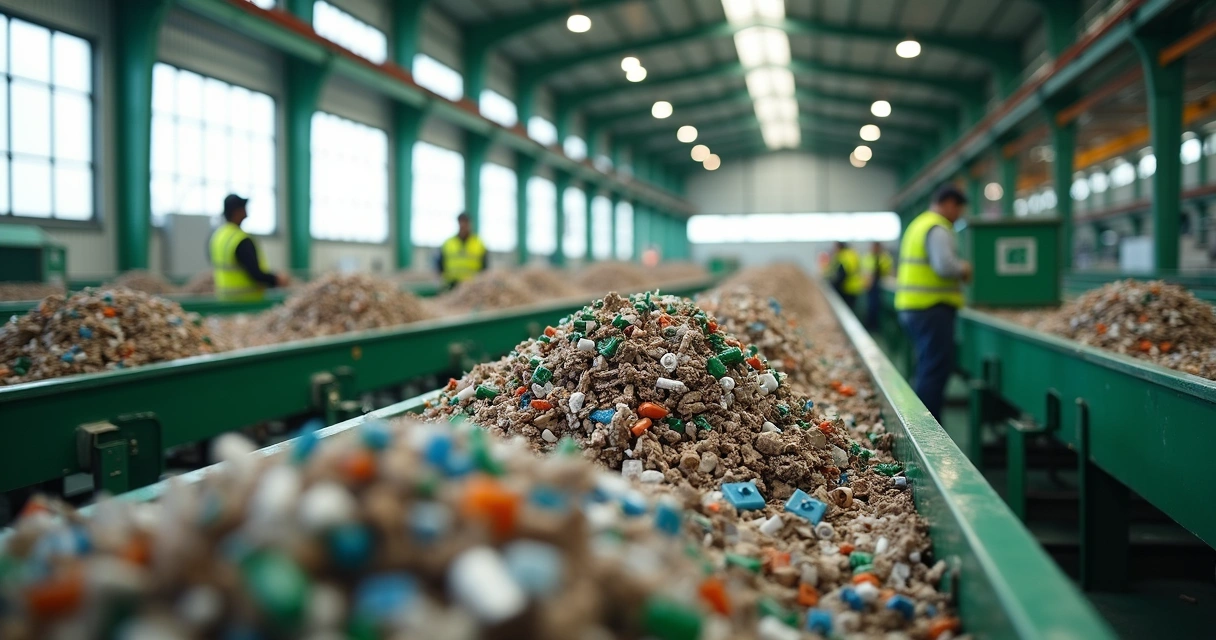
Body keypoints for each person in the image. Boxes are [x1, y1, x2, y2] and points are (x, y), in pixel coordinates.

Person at [895, 185, 973, 421]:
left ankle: (920, 419)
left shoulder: (919, 224)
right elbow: (945, 266)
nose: (959, 215)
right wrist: (964, 268)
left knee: (927, 366)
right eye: (958, 209)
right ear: (948, 204)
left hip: (913, 307)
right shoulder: (937, 228)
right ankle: (927, 426)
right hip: (931, 308)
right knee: (934, 370)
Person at [209, 194, 287, 301]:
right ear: (237, 212)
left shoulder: (218, 236)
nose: (246, 212)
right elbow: (255, 274)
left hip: (224, 299)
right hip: (246, 300)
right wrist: (276, 279)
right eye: (243, 208)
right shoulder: (240, 239)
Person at [437, 212, 487, 289]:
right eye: (461, 222)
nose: (463, 225)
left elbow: (485, 267)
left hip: (473, 286)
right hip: (452, 284)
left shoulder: (479, 244)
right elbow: (440, 264)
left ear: (470, 224)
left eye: (466, 222)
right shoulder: (448, 243)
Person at [862, 241, 894, 330]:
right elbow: (866, 272)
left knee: (877, 307)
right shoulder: (868, 257)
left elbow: (889, 271)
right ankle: (870, 326)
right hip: (871, 287)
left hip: (880, 286)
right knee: (871, 307)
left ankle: (875, 326)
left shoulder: (884, 258)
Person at [828, 241, 865, 310]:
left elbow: (841, 275)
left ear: (839, 247)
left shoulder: (842, 256)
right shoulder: (853, 254)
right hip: (856, 287)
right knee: (852, 308)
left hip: (847, 288)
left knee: (846, 309)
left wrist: (833, 285)